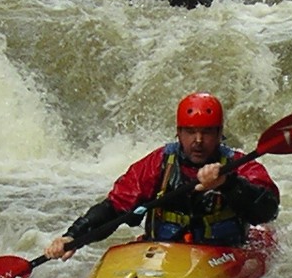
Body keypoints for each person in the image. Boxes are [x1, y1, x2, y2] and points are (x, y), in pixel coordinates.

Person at [44, 92, 279, 261]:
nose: (198, 140)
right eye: (190, 132)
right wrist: (73, 236)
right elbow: (115, 207)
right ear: (178, 133)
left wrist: (228, 183)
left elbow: (267, 210)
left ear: (219, 134)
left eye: (206, 132)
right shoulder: (158, 164)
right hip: (163, 253)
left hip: (221, 254)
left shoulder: (238, 165)